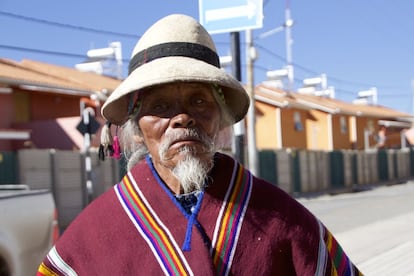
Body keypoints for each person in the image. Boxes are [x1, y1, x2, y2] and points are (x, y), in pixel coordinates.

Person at [37, 14, 362, 275]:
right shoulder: (94, 233)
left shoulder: (282, 218)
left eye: (198, 101)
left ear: (219, 120)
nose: (182, 118)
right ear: (137, 130)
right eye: (161, 107)